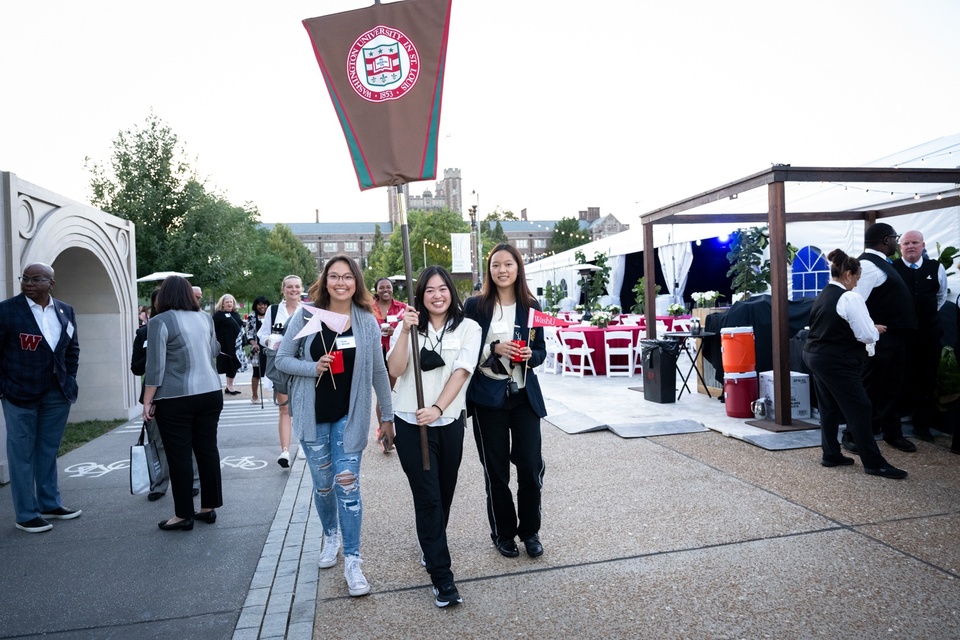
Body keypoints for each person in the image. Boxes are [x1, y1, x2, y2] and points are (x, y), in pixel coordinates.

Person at [275, 255, 394, 597]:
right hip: (313, 416)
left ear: (356, 282)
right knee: (324, 485)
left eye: (347, 277)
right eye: (334, 277)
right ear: (325, 281)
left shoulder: (366, 321)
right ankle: (331, 535)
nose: (341, 283)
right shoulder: (306, 315)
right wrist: (313, 367)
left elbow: (378, 372)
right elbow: (283, 359)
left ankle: (353, 562)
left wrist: (386, 416)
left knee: (347, 485)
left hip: (349, 416)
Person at [387, 266, 481, 608]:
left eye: (443, 289)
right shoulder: (408, 324)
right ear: (420, 295)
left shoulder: (469, 327)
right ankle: (443, 579)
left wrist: (439, 408)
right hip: (411, 424)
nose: (437, 295)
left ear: (451, 293)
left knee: (444, 493)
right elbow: (395, 370)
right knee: (428, 498)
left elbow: (462, 372)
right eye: (429, 290)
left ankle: (430, 543)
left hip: (449, 420)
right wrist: (404, 332)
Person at [464, 243, 548, 559]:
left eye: (508, 264)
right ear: (490, 270)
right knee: (496, 472)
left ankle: (530, 531)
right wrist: (493, 350)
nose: (502, 270)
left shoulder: (531, 305)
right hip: (488, 398)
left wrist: (531, 354)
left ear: (518, 268)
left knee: (529, 466)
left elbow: (541, 351)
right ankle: (503, 533)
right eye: (496, 265)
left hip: (524, 395)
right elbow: (465, 351)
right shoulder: (475, 306)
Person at [802, 250, 907, 479]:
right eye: (857, 278)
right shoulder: (850, 297)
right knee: (861, 407)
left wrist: (869, 328)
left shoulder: (825, 293)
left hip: (815, 355)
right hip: (836, 359)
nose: (857, 283)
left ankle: (831, 453)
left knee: (829, 407)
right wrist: (875, 329)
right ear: (848, 274)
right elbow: (866, 335)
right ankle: (874, 463)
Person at [0, 262, 81, 533]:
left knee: (47, 451)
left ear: (51, 283)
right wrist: (4, 388)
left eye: (36, 279)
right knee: (21, 454)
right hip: (18, 395)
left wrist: (69, 379)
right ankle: (26, 514)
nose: (28, 284)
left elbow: (72, 350)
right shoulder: (7, 310)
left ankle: (49, 503)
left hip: (56, 395)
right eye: (25, 279)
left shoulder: (65, 310)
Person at [143, 275, 224, 531]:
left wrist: (147, 400)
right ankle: (208, 507)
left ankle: (182, 514)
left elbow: (155, 367)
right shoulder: (204, 318)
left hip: (176, 397)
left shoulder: (159, 322)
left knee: (179, 456)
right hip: (211, 392)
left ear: (163, 297)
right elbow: (213, 351)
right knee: (207, 450)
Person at [844, 222, 919, 453]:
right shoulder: (867, 264)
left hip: (895, 338)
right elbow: (854, 302)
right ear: (886, 240)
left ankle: (892, 432)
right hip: (879, 339)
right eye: (896, 238)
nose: (897, 242)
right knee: (870, 388)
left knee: (892, 387)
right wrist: (869, 328)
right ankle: (852, 435)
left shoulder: (882, 263)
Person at [131, 288, 200, 501]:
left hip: (181, 393)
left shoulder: (185, 328)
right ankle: (160, 483)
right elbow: (136, 368)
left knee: (188, 441)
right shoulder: (143, 333)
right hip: (154, 397)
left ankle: (193, 481)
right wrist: (154, 356)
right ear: (154, 305)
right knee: (158, 442)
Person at [893, 230, 949, 439]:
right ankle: (895, 425)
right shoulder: (894, 269)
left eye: (915, 242)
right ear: (900, 248)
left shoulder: (936, 268)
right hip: (903, 336)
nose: (910, 246)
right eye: (906, 243)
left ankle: (922, 426)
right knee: (900, 378)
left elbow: (941, 295)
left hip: (929, 336)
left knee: (926, 380)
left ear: (923, 245)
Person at [257, 275, 304, 467]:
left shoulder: (307, 309)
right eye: (290, 287)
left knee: (302, 407)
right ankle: (284, 451)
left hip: (301, 363)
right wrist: (270, 341)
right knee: (284, 408)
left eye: (297, 287)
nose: (293, 290)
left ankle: (303, 444)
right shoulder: (274, 309)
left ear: (301, 289)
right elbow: (262, 334)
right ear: (283, 289)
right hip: (280, 364)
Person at [372, 276, 406, 449]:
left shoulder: (402, 308)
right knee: (382, 393)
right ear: (376, 290)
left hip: (393, 355)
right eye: (381, 287)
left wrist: (397, 330)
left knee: (385, 393)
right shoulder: (369, 309)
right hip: (375, 355)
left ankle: (383, 432)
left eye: (388, 287)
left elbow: (409, 328)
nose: (385, 290)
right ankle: (383, 432)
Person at [213, 294, 245, 395]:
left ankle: (229, 386)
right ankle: (229, 386)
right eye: (227, 302)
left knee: (235, 364)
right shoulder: (218, 315)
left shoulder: (236, 314)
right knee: (228, 364)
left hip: (236, 343)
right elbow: (213, 329)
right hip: (225, 343)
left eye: (231, 302)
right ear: (222, 304)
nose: (229, 304)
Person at [245, 295, 270, 404]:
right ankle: (255, 395)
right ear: (256, 305)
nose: (262, 307)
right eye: (260, 304)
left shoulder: (271, 316)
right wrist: (254, 344)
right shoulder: (252, 317)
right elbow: (249, 333)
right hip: (257, 349)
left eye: (264, 304)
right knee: (256, 373)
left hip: (270, 347)